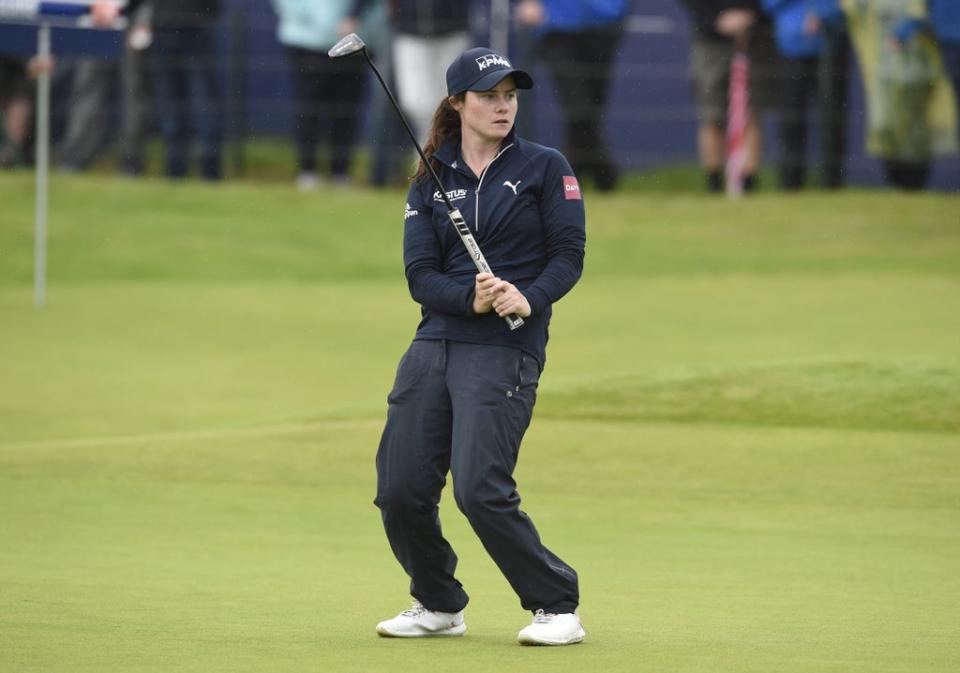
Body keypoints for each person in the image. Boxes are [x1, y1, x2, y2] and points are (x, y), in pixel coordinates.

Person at [373, 47, 586, 646]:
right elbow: (420, 276)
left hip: (505, 349)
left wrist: (528, 296)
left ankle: (556, 604)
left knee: (479, 488)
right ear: (458, 104)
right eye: (489, 96)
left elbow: (568, 257)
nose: (502, 107)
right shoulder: (431, 176)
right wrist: (468, 298)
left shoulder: (547, 167)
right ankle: (437, 601)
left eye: (510, 96)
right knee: (400, 489)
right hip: (435, 341)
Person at [94, 0, 224, 181]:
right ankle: (201, 169)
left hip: (175, 24)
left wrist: (123, 12)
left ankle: (181, 168)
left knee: (185, 101)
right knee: (194, 101)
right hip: (185, 24)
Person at [841, 0, 957, 189]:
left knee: (915, 128)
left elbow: (920, 14)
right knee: (888, 125)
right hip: (885, 74)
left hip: (917, 71)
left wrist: (902, 32)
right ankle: (898, 181)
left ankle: (914, 181)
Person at [516, 0, 631, 191]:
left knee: (592, 111)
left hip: (604, 19)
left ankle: (573, 177)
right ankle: (603, 174)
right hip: (557, 22)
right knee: (578, 108)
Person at [679, 0, 780, 193]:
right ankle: (714, 184)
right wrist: (714, 18)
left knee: (752, 112)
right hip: (709, 39)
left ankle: (748, 184)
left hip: (755, 37)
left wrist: (751, 14)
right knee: (711, 115)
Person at [762, 0, 849, 189]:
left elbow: (848, 4)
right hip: (789, 48)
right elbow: (768, 4)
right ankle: (790, 185)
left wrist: (823, 15)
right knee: (791, 122)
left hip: (831, 47)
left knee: (832, 122)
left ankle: (832, 185)